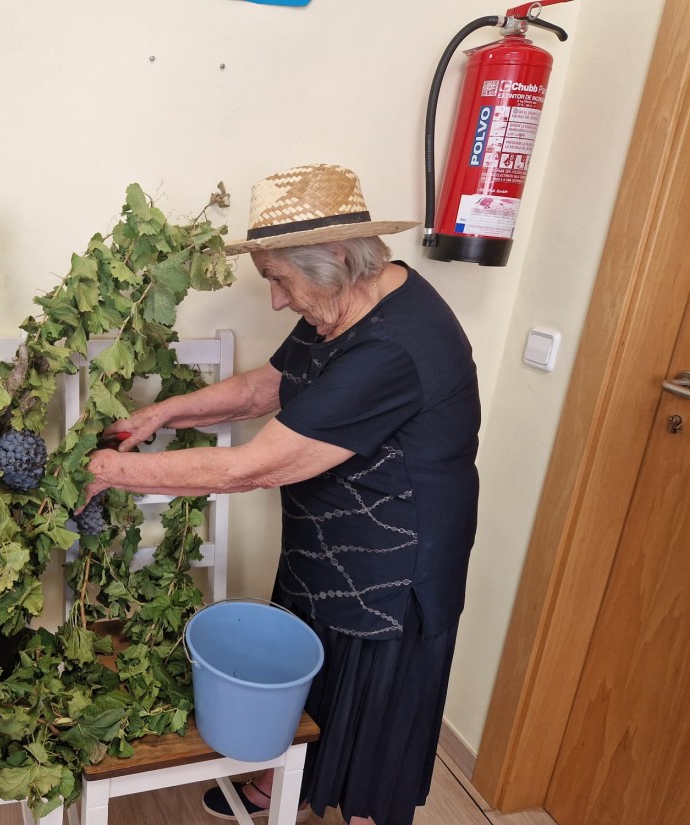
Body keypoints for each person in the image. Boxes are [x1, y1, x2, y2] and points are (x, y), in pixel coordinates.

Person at [83, 163, 480, 825]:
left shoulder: (394, 346)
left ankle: (364, 813)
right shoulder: (345, 301)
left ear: (335, 256)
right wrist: (162, 414)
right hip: (328, 539)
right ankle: (282, 783)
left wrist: (110, 471)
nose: (274, 300)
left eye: (277, 279)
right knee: (305, 668)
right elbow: (262, 389)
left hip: (394, 566)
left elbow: (249, 468)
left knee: (374, 715)